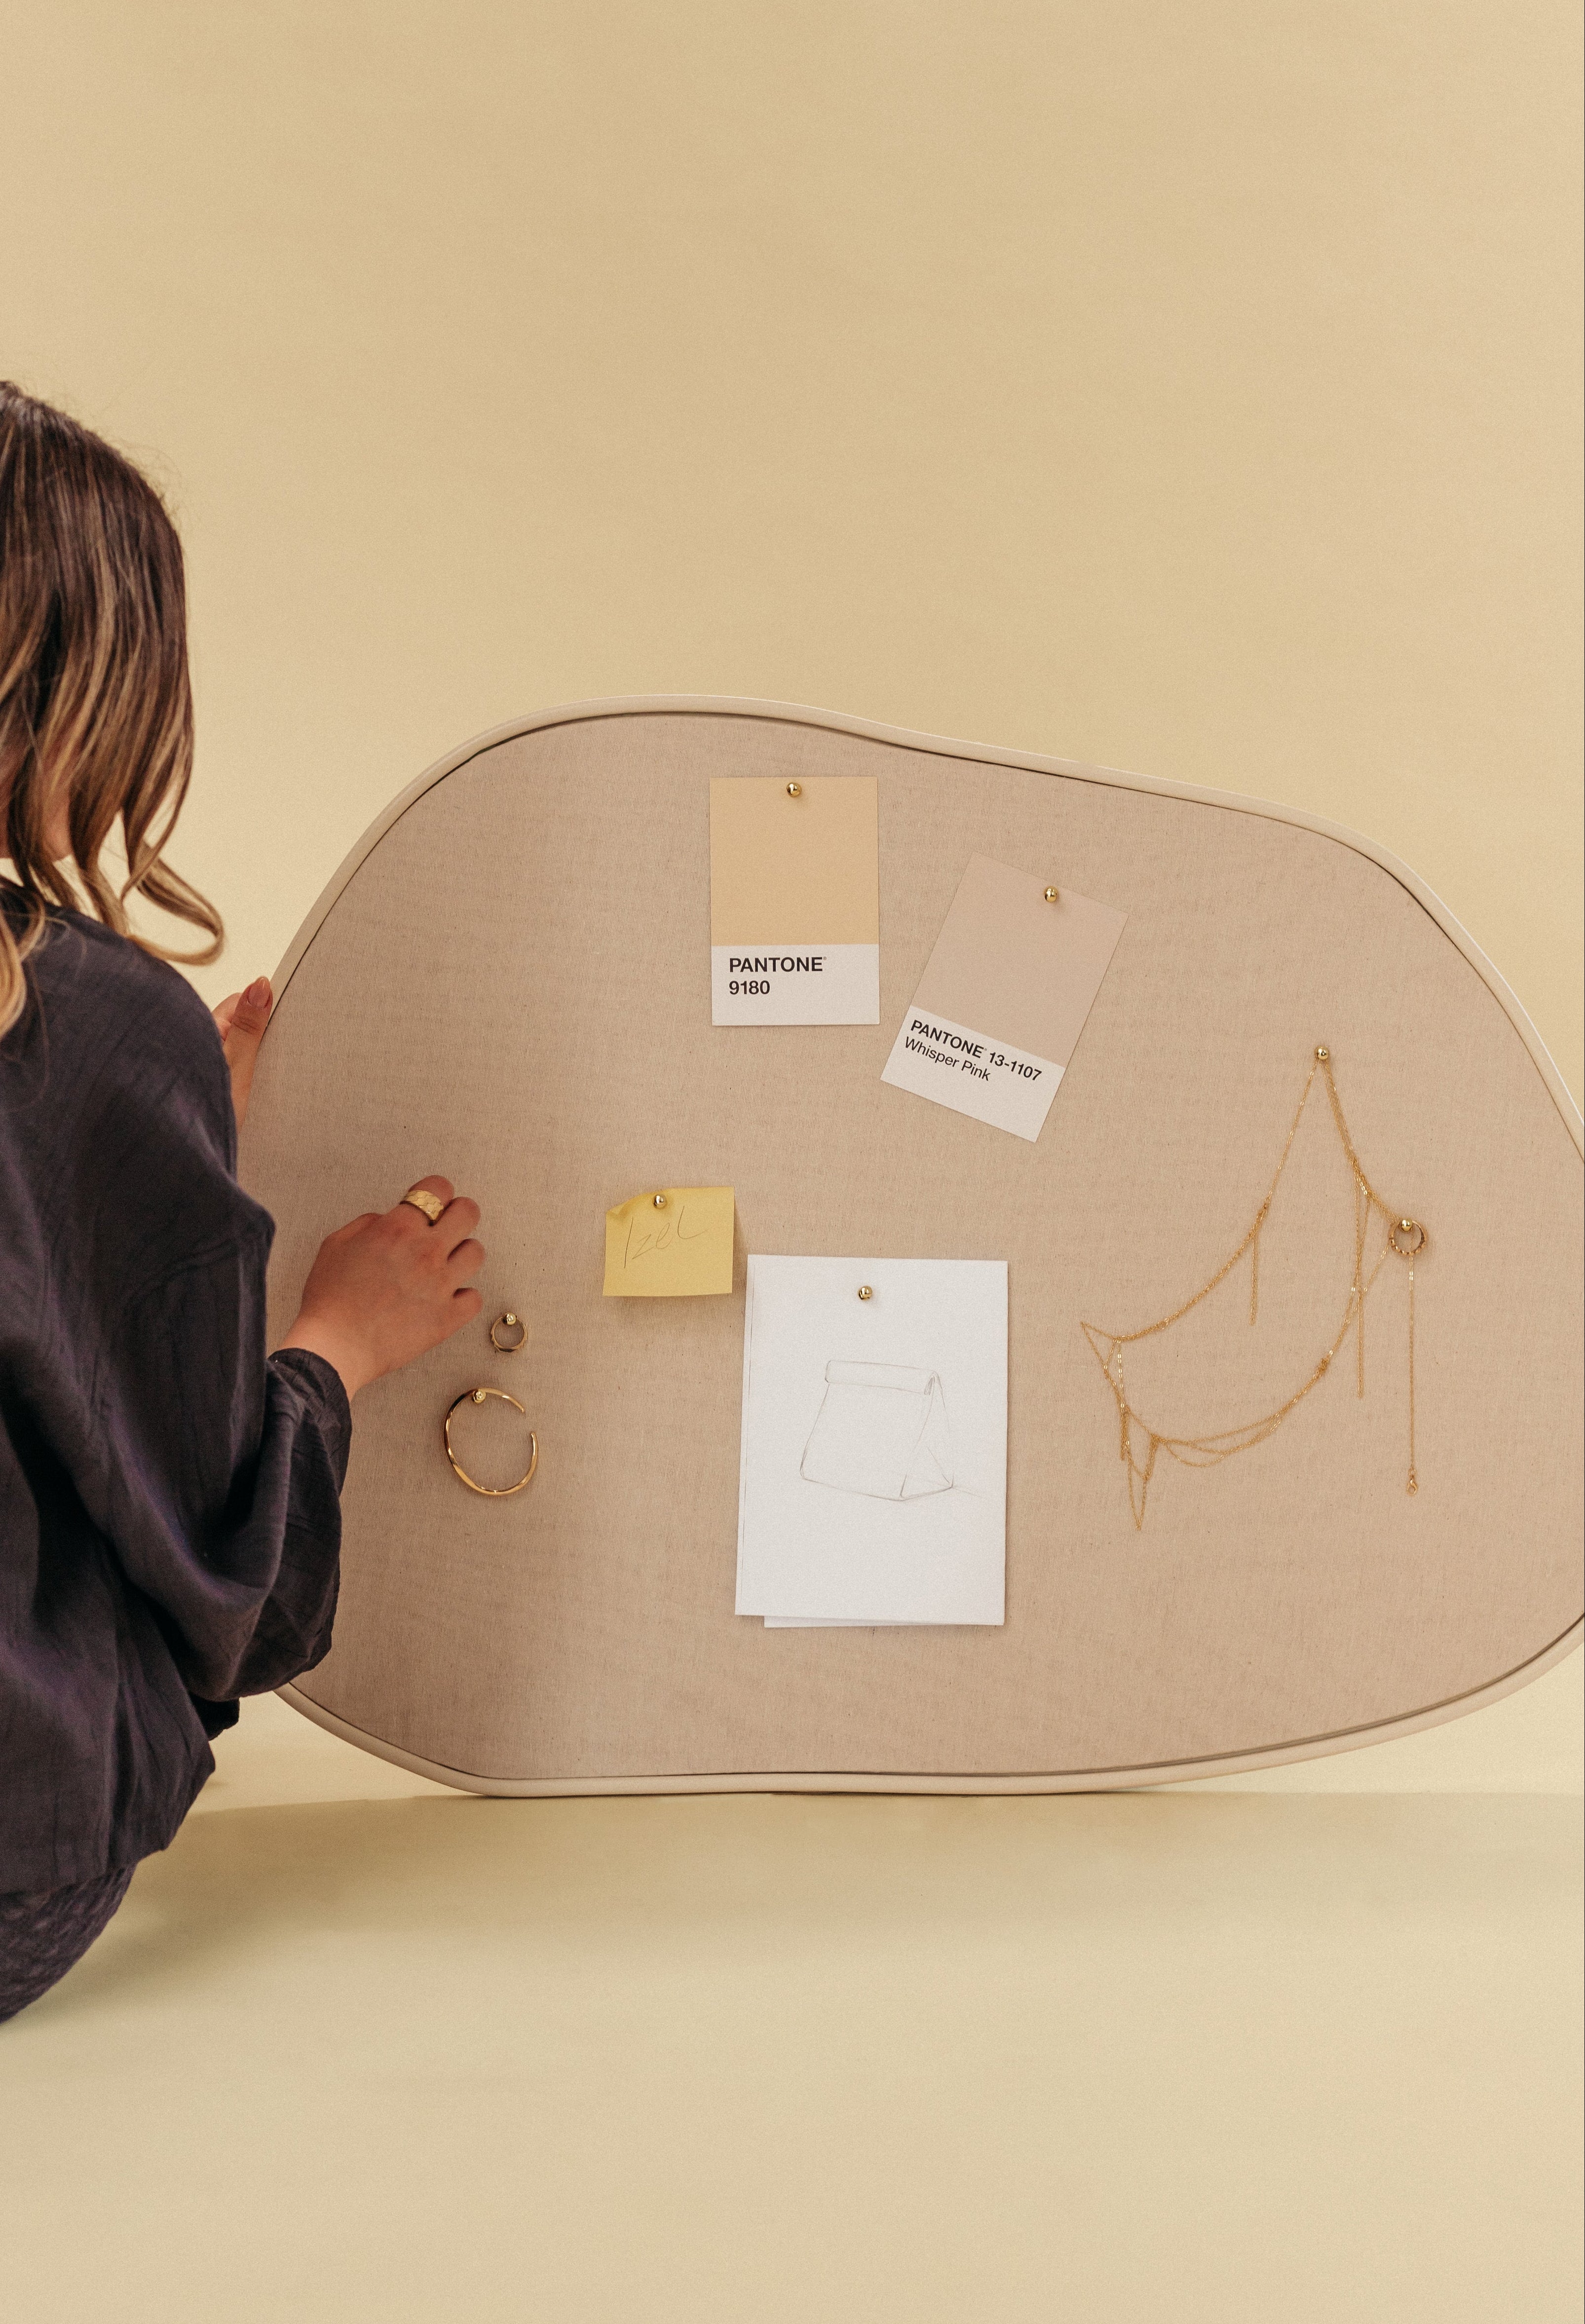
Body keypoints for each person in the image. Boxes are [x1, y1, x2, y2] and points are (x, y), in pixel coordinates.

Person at [0, 382, 483, 2021]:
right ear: (80, 688)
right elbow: (223, 1577)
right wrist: (338, 1342)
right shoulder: (88, 1020)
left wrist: (140, 1145)